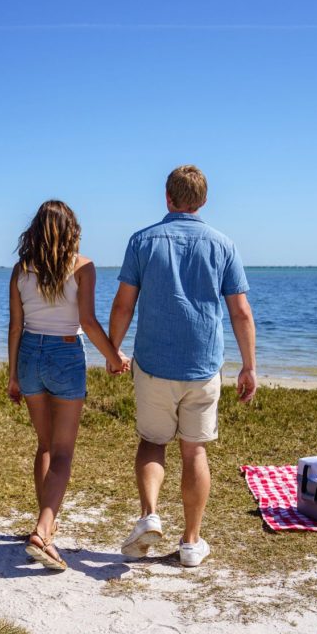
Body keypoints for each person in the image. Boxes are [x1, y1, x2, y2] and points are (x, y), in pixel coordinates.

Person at [108, 164, 257, 567]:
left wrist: (112, 350)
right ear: (204, 201)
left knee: (152, 442)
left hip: (154, 363)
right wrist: (249, 366)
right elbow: (240, 312)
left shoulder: (142, 241)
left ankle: (149, 515)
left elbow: (124, 304)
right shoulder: (223, 244)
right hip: (202, 366)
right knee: (194, 452)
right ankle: (191, 542)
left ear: (167, 197)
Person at [8, 200, 130, 572]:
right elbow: (88, 322)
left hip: (29, 353)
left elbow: (15, 325)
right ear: (71, 229)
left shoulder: (20, 270)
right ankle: (43, 532)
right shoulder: (83, 267)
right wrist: (114, 356)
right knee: (62, 452)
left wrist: (13, 374)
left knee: (45, 446)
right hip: (64, 354)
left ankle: (45, 520)